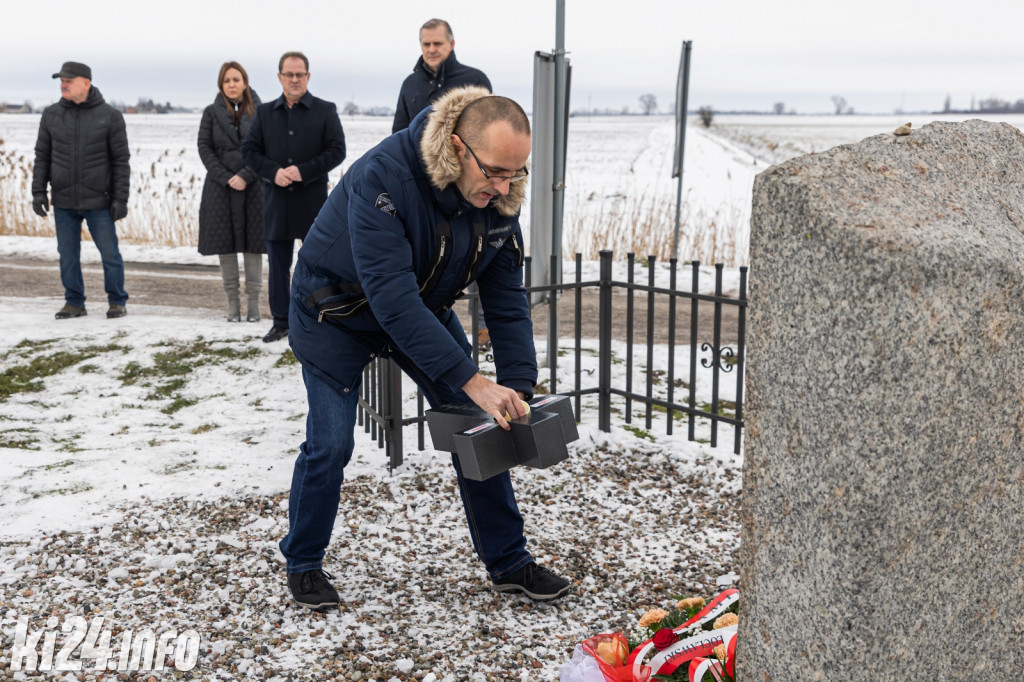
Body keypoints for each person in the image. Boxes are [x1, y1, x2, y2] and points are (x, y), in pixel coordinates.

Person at [283, 86, 571, 610]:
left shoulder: (500, 199)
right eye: (496, 172)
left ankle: (509, 562)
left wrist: (518, 388)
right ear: (459, 149)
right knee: (330, 445)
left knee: (480, 426)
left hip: (419, 309)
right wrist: (474, 380)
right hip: (335, 311)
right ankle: (304, 562)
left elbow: (506, 302)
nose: (506, 187)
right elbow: (390, 299)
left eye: (517, 172)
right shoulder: (385, 179)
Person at [393, 18, 494, 347]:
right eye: (426, 44)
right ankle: (422, 322)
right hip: (422, 189)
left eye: (437, 43)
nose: (431, 50)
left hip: (464, 186)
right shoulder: (410, 84)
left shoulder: (474, 80)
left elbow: (489, 132)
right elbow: (398, 135)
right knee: (424, 254)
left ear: (451, 44)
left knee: (476, 251)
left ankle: (482, 327)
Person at [241, 51, 345, 343]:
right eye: (289, 74)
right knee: (277, 267)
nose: (295, 79)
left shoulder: (325, 110)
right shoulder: (264, 113)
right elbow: (249, 151)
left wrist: (303, 171)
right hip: (275, 203)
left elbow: (337, 150)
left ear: (308, 77)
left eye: (300, 74)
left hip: (312, 202)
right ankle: (281, 322)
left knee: (318, 265)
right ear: (280, 77)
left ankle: (319, 318)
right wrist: (273, 172)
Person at [32, 61, 130, 320]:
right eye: (61, 80)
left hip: (99, 200)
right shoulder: (51, 115)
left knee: (110, 254)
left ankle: (117, 301)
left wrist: (121, 199)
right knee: (67, 256)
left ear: (86, 83)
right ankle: (74, 302)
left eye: (69, 80)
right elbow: (42, 156)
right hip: (63, 199)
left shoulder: (110, 116)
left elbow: (120, 161)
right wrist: (38, 192)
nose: (63, 84)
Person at [197, 62, 265, 322]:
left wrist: (246, 175)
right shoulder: (210, 113)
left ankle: (254, 306)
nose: (232, 84)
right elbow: (205, 148)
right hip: (219, 187)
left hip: (254, 186)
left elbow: (265, 147)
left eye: (236, 79)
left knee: (253, 246)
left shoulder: (261, 112)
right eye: (227, 81)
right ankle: (232, 305)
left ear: (245, 82)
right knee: (224, 247)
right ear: (221, 85)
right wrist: (227, 178)